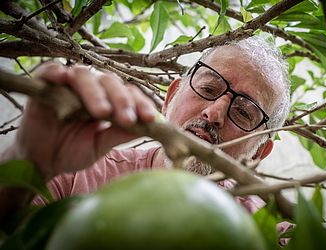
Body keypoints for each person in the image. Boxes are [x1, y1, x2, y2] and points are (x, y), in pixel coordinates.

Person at [0, 35, 290, 220]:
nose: (214, 113)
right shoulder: (74, 170)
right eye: (208, 88)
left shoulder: (262, 231)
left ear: (258, 152)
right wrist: (30, 163)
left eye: (244, 112)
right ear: (170, 97)